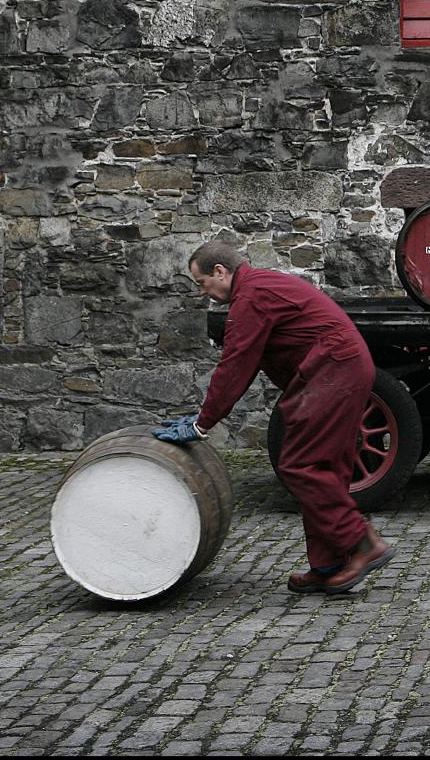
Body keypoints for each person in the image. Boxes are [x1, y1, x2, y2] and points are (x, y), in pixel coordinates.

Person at [153, 240, 395, 595]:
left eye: (201, 282)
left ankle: (362, 543)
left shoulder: (251, 298)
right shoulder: (259, 287)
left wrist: (202, 423)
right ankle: (329, 564)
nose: (203, 291)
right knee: (324, 467)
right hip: (337, 368)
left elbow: (235, 366)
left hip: (333, 369)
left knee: (302, 465)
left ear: (220, 272)